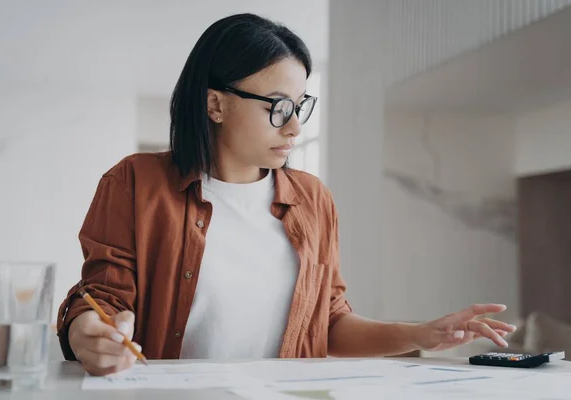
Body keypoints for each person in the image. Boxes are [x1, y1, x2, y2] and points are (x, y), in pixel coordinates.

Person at [56, 13, 516, 377]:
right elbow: (101, 299)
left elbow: (329, 323)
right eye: (277, 107)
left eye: (299, 107)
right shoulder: (134, 183)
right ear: (215, 103)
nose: (295, 126)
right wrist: (86, 333)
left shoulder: (313, 200)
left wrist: (423, 334)